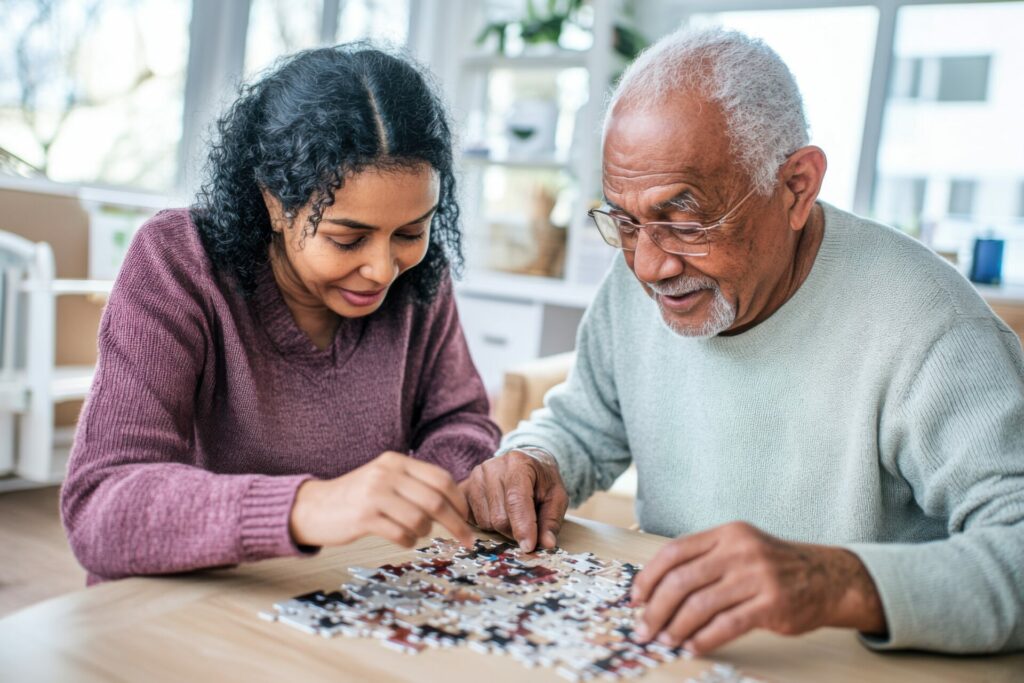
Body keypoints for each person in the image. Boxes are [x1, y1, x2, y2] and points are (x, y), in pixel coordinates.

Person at [461, 27, 1024, 655]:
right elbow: (587, 423)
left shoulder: (934, 329)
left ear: (796, 188)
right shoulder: (639, 282)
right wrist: (536, 461)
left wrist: (839, 581)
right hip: (677, 651)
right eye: (625, 221)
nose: (648, 265)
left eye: (687, 220)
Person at [61, 44, 500, 584]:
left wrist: (421, 493)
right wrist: (308, 508)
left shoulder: (419, 276)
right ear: (273, 201)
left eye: (411, 232)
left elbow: (461, 421)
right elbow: (100, 508)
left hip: (348, 591)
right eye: (347, 238)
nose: (383, 269)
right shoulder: (177, 261)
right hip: (187, 607)